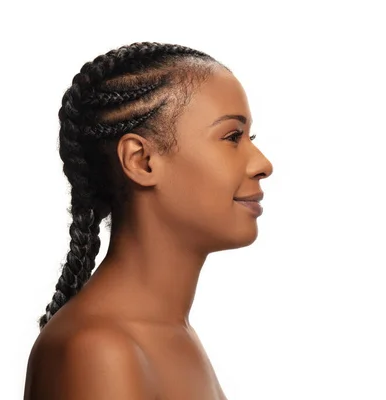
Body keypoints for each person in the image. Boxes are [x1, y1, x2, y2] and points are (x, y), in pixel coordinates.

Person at [23, 41, 273, 400]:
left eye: (251, 138)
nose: (262, 163)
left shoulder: (171, 333)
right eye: (232, 137)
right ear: (141, 161)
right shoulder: (98, 350)